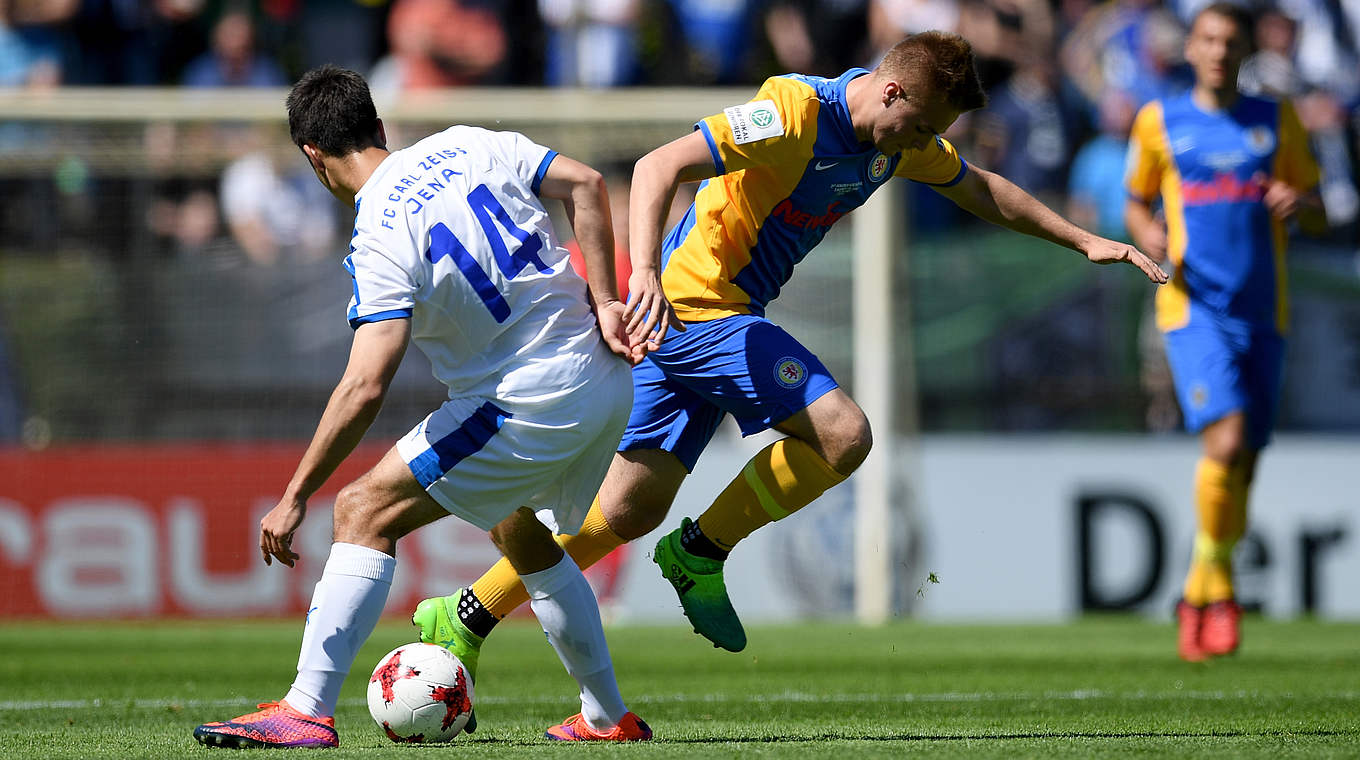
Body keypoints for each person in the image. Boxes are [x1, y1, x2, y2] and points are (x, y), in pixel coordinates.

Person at [411, 30, 1165, 668]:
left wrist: (1082, 238)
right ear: (894, 93)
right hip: (697, 307)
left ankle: (466, 615)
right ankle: (701, 550)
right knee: (844, 433)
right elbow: (655, 167)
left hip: (713, 317)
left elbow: (980, 189)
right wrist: (639, 272)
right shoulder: (792, 113)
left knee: (623, 511)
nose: (928, 144)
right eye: (925, 125)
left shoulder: (897, 143)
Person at [191, 64, 653, 748]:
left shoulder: (378, 230)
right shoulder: (465, 142)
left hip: (527, 400)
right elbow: (585, 184)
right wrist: (609, 301)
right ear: (379, 128)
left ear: (313, 159)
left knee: (360, 510)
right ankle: (608, 717)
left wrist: (295, 494)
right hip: (605, 376)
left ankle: (305, 708)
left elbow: (365, 383)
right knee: (517, 532)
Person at [1123, 3, 1324, 663]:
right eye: (1207, 39)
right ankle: (1221, 593)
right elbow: (1133, 200)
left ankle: (1199, 587)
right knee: (1228, 439)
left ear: (1243, 51)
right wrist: (1147, 232)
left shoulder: (1276, 119)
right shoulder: (1160, 122)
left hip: (1265, 312)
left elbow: (1320, 209)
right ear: (1192, 48)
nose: (1217, 51)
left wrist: (1301, 203)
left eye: (1228, 41)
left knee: (1246, 461)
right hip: (1192, 310)